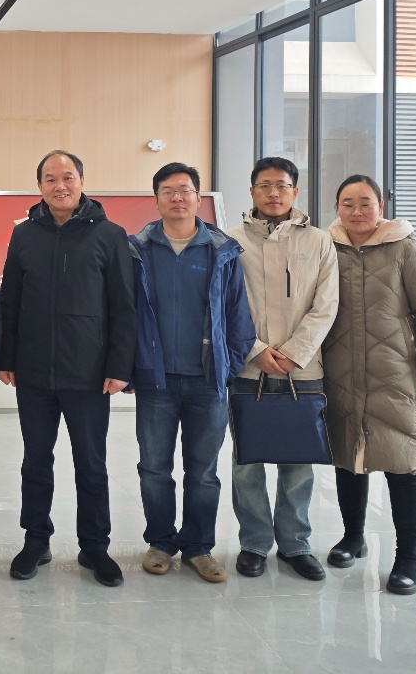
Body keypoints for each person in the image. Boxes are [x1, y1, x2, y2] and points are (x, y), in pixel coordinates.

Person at [0, 150, 135, 588]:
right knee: (35, 462)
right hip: (34, 373)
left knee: (91, 464)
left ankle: (95, 546)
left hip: (89, 374)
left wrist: (119, 365)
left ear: (82, 181)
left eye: (68, 177)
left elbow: (124, 306)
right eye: (51, 178)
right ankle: (36, 540)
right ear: (39, 185)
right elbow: (10, 300)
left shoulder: (110, 235)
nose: (60, 185)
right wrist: (6, 357)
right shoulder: (24, 235)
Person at [128, 161, 255, 584]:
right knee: (154, 468)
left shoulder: (221, 250)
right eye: (168, 191)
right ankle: (161, 543)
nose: (177, 197)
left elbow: (238, 315)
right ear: (156, 199)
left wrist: (229, 366)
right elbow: (124, 313)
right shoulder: (137, 250)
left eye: (184, 190)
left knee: (203, 472)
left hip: (207, 381)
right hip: (156, 380)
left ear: (198, 198)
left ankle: (199, 547)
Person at [323, 174, 416, 596]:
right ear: (337, 208)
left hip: (395, 373)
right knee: (348, 457)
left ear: (381, 206)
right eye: (348, 203)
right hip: (339, 371)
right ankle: (352, 537)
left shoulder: (403, 247)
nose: (357, 211)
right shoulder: (326, 247)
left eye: (365, 202)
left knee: (403, 462)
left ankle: (408, 556)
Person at [226, 157, 338, 581]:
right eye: (264, 185)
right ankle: (254, 542)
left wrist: (295, 352)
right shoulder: (230, 241)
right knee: (246, 462)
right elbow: (224, 306)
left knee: (298, 461)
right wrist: (255, 350)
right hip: (248, 369)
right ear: (252, 191)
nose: (273, 193)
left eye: (282, 185)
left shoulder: (320, 241)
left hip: (302, 369)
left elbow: (326, 304)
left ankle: (295, 544)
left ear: (295, 191)